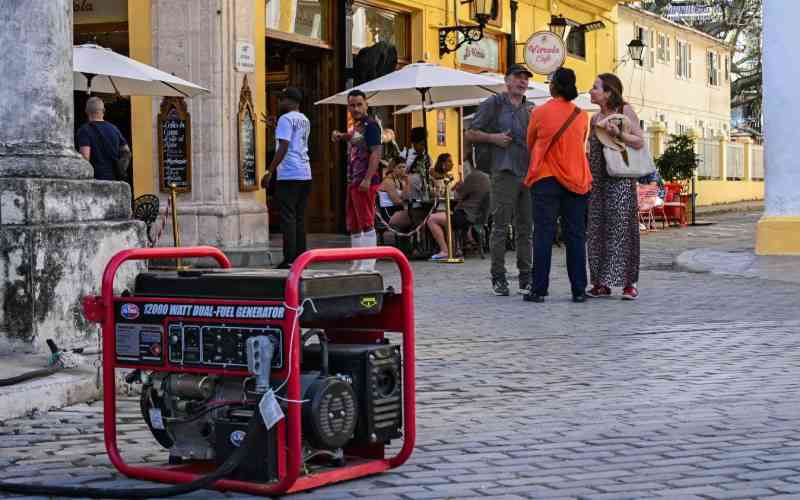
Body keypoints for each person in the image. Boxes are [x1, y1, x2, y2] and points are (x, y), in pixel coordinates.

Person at [522, 67, 592, 303]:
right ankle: (579, 290)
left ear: (553, 86)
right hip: (576, 180)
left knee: (543, 234)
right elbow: (579, 143)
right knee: (575, 236)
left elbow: (530, 142)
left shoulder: (539, 112)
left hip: (546, 179)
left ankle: (539, 289)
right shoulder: (582, 116)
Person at [466, 64, 535, 296]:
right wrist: (493, 138)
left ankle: (526, 276)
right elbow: (470, 133)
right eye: (518, 77)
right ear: (507, 81)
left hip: (528, 173)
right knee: (500, 227)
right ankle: (499, 277)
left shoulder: (530, 109)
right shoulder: (493, 104)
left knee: (526, 228)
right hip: (503, 172)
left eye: (525, 78)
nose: (522, 81)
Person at [587, 73, 646, 300]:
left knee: (622, 229)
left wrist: (619, 133)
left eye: (595, 87)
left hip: (620, 179)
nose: (591, 91)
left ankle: (628, 283)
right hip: (598, 181)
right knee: (597, 230)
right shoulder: (594, 118)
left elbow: (639, 141)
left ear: (608, 92)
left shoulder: (625, 111)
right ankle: (601, 283)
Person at [332, 89, 383, 272]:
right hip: (354, 180)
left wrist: (368, 179)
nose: (356, 108)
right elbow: (354, 137)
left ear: (366, 104)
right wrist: (341, 136)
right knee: (354, 223)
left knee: (366, 221)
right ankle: (357, 260)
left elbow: (376, 152)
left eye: (359, 104)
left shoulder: (371, 125)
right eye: (352, 105)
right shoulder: (358, 126)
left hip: (365, 181)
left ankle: (369, 262)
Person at [263, 87, 312, 269]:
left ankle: (289, 259)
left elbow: (283, 146)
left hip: (289, 173)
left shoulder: (285, 119)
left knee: (288, 218)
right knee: (299, 217)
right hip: (305, 173)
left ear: (290, 101)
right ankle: (301, 258)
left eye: (282, 99)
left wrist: (269, 171)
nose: (279, 102)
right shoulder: (304, 119)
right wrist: (275, 126)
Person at [427, 154, 490, 261]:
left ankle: (445, 250)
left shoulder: (473, 177)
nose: (461, 166)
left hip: (466, 216)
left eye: (464, 163)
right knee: (447, 216)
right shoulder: (487, 177)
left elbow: (458, 196)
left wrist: (458, 188)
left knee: (431, 219)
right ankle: (455, 248)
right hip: (478, 216)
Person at [75, 96, 130, 181]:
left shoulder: (84, 130)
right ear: (103, 111)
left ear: (86, 111)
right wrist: (121, 170)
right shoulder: (114, 129)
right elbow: (126, 152)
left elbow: (85, 158)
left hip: (96, 181)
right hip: (114, 180)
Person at [378, 157, 408, 223]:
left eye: (404, 167)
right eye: (399, 167)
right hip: (389, 213)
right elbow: (397, 202)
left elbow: (404, 197)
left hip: (397, 210)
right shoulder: (388, 181)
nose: (402, 170)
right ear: (393, 168)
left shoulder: (400, 180)